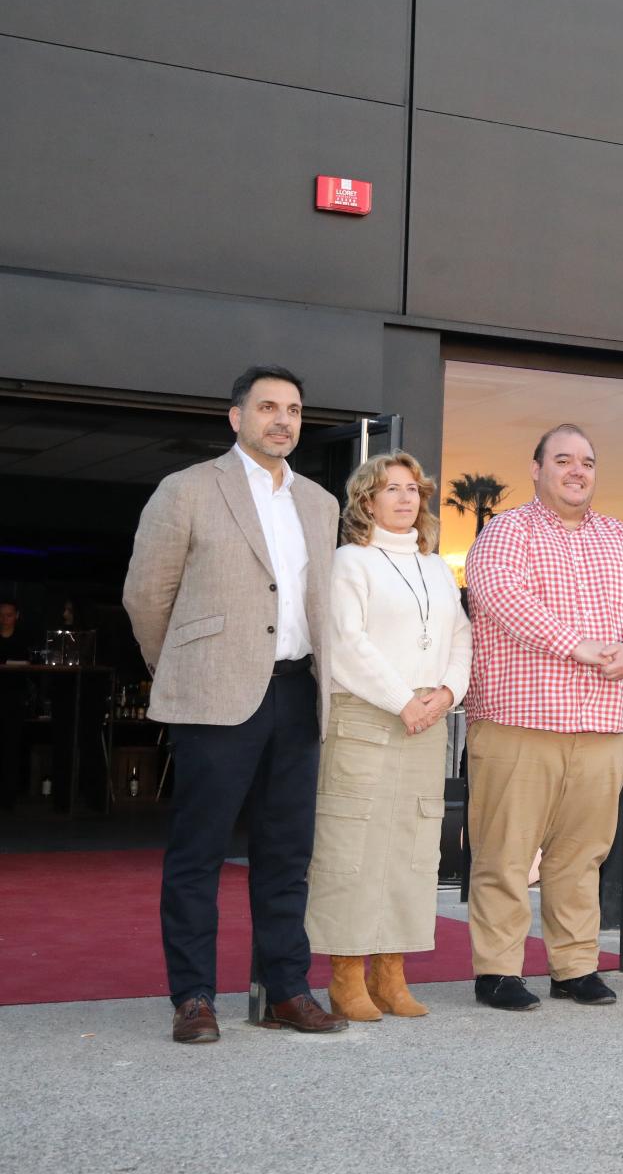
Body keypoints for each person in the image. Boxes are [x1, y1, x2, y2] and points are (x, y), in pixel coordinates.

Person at [122, 364, 348, 1043]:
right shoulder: (187, 489)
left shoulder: (320, 503)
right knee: (198, 855)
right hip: (214, 697)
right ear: (237, 417)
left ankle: (286, 990)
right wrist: (179, 669)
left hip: (298, 693)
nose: (283, 420)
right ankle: (193, 998)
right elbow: (146, 595)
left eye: (294, 410)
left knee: (288, 855)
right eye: (268, 407)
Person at [462, 423, 623, 1012]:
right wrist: (577, 646)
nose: (577, 471)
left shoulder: (622, 538)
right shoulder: (506, 532)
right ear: (537, 470)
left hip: (601, 727)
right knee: (505, 854)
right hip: (520, 721)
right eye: (563, 460)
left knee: (582, 856)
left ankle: (574, 967)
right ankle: (498, 971)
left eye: (587, 462)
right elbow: (502, 597)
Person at [306, 453, 471, 1021]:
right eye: (391, 489)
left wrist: (447, 693)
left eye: (413, 489)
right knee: (352, 848)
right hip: (367, 715)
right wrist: (403, 701)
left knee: (412, 848)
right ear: (366, 501)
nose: (405, 498)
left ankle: (391, 974)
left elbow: (461, 636)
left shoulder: (435, 568)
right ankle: (346, 975)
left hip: (427, 717)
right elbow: (345, 642)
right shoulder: (349, 562)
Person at [0, 599, 29, 811]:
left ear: (17, 616)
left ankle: (9, 797)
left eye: (8, 615)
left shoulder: (23, 639)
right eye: (1, 615)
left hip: (14, 698)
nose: (4, 619)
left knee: (11, 747)